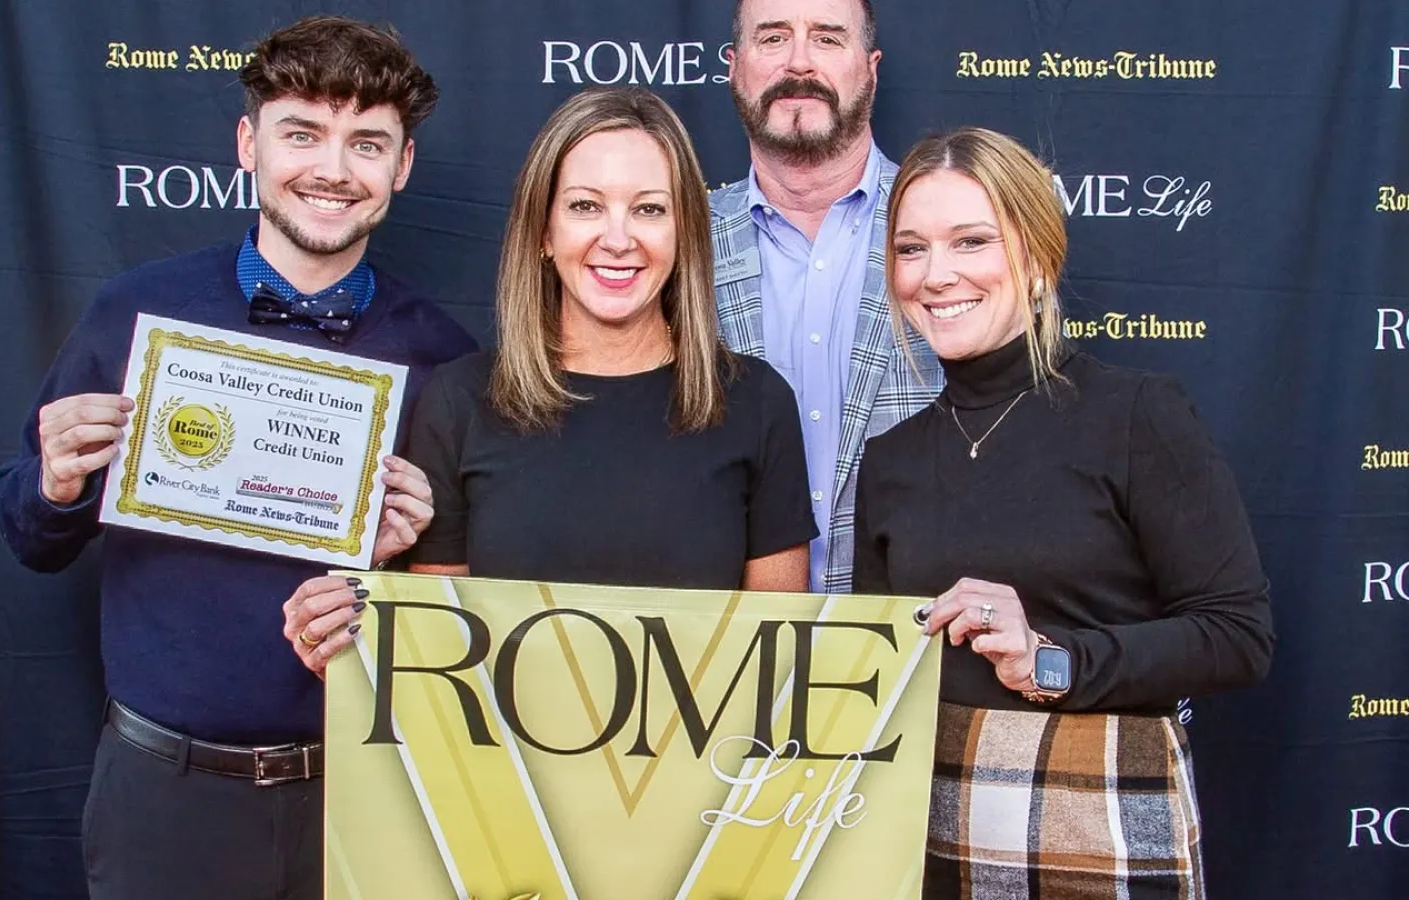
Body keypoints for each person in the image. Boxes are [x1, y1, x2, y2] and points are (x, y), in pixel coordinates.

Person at [0, 16, 476, 900]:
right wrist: (58, 482)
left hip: (366, 789)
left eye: (367, 143)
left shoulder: (442, 355)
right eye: (303, 133)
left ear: (400, 167)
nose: (333, 169)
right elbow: (29, 534)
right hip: (164, 799)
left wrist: (406, 559)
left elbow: (466, 604)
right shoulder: (135, 313)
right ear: (248, 144)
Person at [852, 127, 1275, 897]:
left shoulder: (1139, 416)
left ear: (1039, 258)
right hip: (930, 840)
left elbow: (1239, 638)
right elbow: (881, 679)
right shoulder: (891, 460)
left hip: (1100, 827)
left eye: (971, 241)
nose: (936, 274)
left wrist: (1054, 659)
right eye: (910, 249)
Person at [394, 87, 816, 591]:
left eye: (649, 210)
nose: (618, 240)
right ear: (544, 233)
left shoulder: (757, 401)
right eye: (585, 206)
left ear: (685, 233)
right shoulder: (457, 401)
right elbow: (436, 647)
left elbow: (776, 651)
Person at [711, 0, 941, 595]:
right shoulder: (676, 244)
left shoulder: (957, 237)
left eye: (828, 39)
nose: (799, 62)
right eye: (773, 37)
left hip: (919, 647)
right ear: (735, 67)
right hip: (722, 650)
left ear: (871, 68)